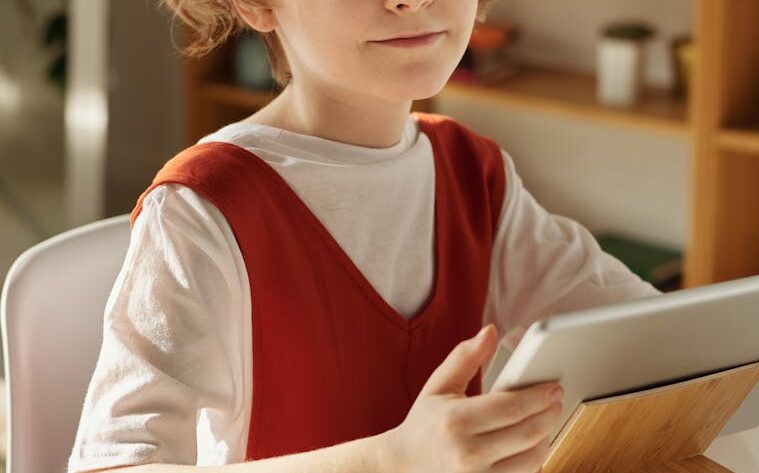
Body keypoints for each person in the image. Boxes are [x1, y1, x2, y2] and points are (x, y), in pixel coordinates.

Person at [67, 0, 660, 472]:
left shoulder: (474, 174)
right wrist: (389, 462)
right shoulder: (203, 209)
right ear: (256, 4)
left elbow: (661, 340)